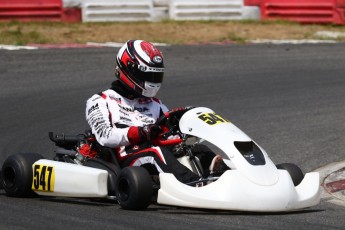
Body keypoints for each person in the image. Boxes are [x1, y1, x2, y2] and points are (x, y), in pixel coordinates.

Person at [85, 40, 228, 185]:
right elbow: (104, 136)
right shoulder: (100, 100)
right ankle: (195, 184)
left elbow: (171, 136)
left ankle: (226, 179)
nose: (152, 81)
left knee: (197, 149)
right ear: (129, 69)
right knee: (155, 153)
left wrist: (184, 132)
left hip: (158, 153)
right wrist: (140, 132)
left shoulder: (155, 104)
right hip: (125, 158)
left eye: (155, 76)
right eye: (147, 76)